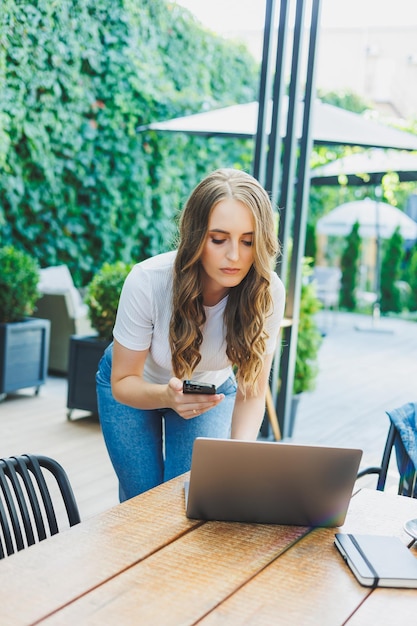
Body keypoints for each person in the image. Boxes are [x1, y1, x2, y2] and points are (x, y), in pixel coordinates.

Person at [96, 168, 286, 501]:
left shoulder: (268, 292)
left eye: (248, 240)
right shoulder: (147, 281)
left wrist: (239, 456)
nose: (234, 256)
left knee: (186, 501)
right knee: (143, 505)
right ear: (196, 235)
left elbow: (252, 389)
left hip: (209, 391)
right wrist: (167, 397)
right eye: (218, 239)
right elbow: (122, 381)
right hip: (133, 386)